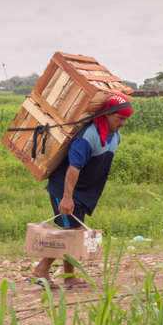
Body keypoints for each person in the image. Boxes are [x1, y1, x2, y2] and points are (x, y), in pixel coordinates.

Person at [32, 93, 133, 289]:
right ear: (108, 114)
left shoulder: (115, 136)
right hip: (66, 190)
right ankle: (41, 269)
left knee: (73, 232)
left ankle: (68, 277)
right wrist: (67, 198)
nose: (122, 123)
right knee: (73, 232)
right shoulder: (89, 136)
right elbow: (74, 168)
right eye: (120, 118)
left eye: (125, 120)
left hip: (83, 192)